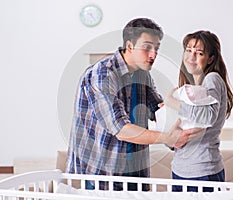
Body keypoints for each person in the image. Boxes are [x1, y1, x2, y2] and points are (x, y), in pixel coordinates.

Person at [65, 18, 203, 191]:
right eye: (147, 47)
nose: (153, 54)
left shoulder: (142, 75)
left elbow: (160, 111)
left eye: (156, 48)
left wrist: (188, 111)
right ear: (129, 46)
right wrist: (167, 138)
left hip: (135, 175)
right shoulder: (102, 74)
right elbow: (120, 129)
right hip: (99, 175)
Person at [163, 30, 233, 192]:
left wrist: (171, 102)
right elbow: (180, 131)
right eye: (188, 50)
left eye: (199, 53)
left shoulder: (212, 79)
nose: (191, 56)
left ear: (210, 59)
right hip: (181, 169)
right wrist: (170, 140)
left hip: (202, 171)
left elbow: (207, 117)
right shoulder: (191, 88)